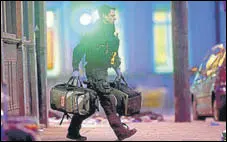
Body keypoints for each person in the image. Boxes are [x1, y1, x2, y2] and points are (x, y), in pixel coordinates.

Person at [67, 5, 137, 141]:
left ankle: (73, 132)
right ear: (104, 16)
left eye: (114, 15)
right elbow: (78, 50)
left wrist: (117, 69)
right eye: (111, 15)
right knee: (108, 100)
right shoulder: (93, 32)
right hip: (94, 70)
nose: (114, 17)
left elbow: (114, 54)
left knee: (90, 106)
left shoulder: (111, 32)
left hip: (103, 71)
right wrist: (75, 69)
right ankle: (121, 132)